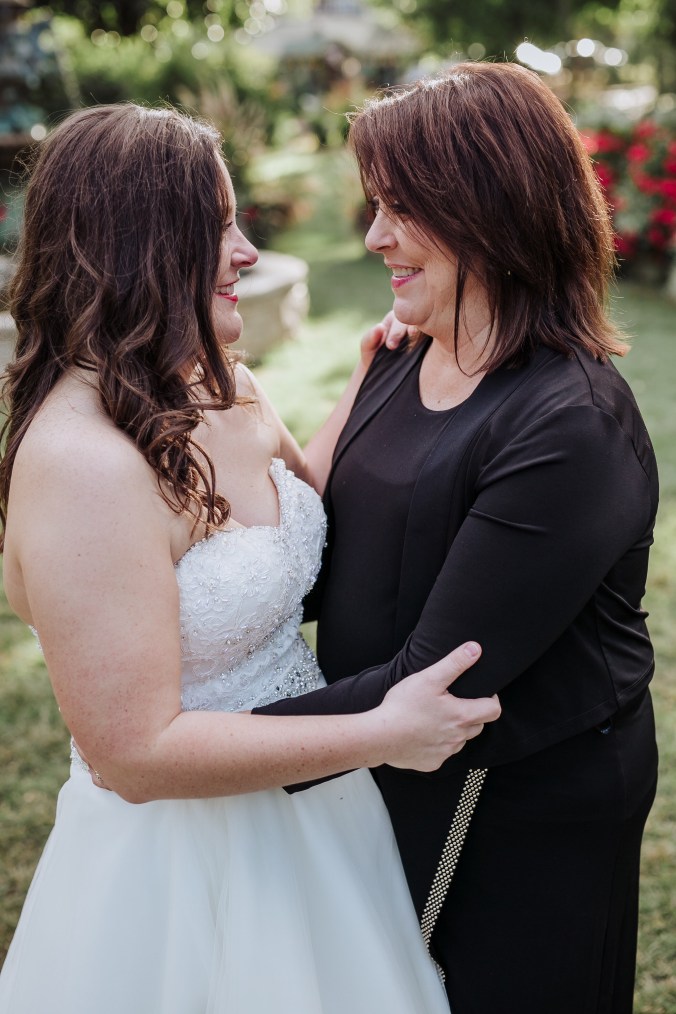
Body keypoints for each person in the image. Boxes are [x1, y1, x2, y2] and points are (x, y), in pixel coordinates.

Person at [0, 103, 503, 1014]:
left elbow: (297, 510)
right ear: (139, 247)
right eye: (219, 227)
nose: (247, 252)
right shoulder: (80, 465)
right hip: (186, 872)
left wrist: (366, 382)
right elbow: (134, 755)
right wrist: (383, 732)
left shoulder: (218, 379)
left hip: (321, 821)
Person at [253, 62, 660, 1014]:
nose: (374, 236)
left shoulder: (570, 423)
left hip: (517, 807)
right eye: (375, 205)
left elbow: (435, 678)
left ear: (493, 210)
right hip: (380, 765)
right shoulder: (408, 352)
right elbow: (320, 557)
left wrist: (201, 748)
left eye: (402, 208)